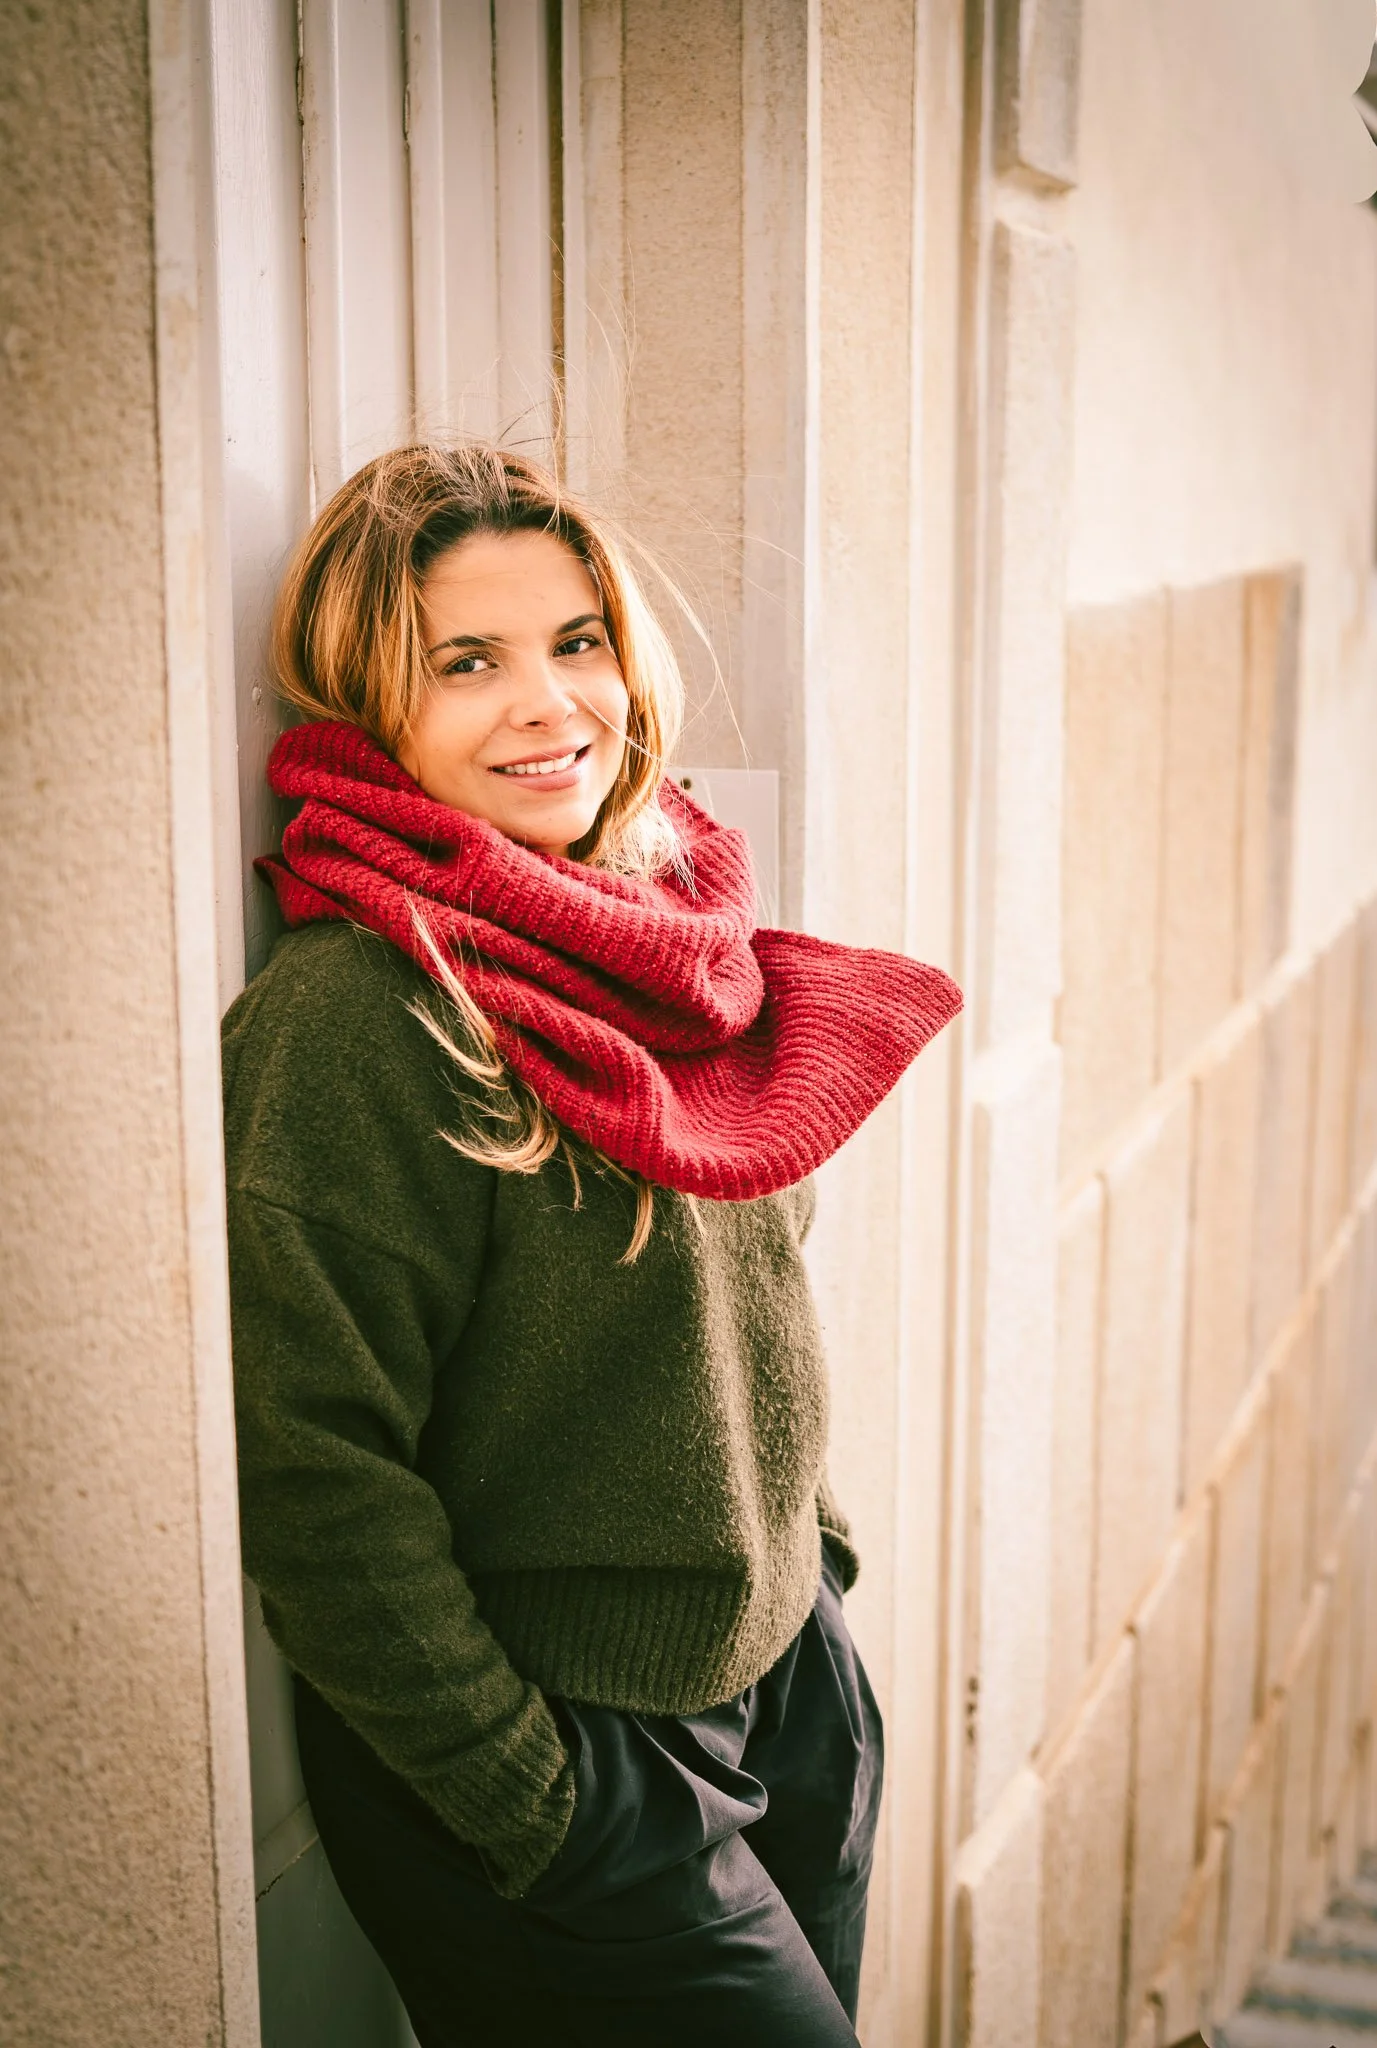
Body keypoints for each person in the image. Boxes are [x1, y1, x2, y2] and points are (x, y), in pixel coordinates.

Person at [222, 441, 962, 2047]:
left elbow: (743, 1298)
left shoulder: (659, 929)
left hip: (782, 1682)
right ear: (367, 707)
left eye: (577, 641)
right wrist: (529, 1792)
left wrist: (808, 1562)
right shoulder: (356, 1017)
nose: (550, 702)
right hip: (573, 1761)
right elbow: (314, 1470)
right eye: (465, 663)